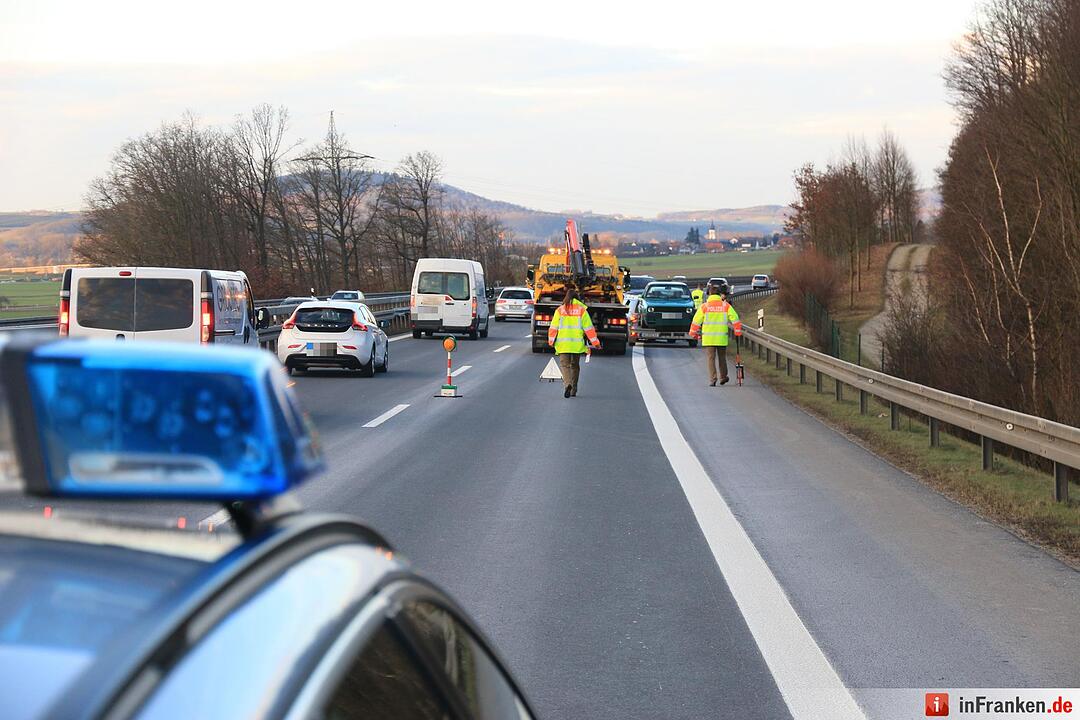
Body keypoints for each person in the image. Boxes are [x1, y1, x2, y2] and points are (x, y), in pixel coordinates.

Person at [548, 288, 601, 398]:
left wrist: (551, 341)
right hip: (577, 345)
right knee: (575, 366)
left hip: (563, 345)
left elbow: (553, 328)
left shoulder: (560, 310)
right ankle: (573, 390)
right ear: (577, 298)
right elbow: (589, 329)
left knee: (565, 366)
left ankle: (567, 384)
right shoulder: (582, 310)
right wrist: (595, 343)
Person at [689, 283, 742, 386]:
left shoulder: (705, 306)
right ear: (719, 294)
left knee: (711, 359)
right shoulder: (725, 305)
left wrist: (693, 333)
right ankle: (723, 377)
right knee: (722, 357)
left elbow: (696, 321)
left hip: (708, 338)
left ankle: (713, 379)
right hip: (721, 337)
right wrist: (737, 331)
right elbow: (735, 318)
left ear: (709, 294)